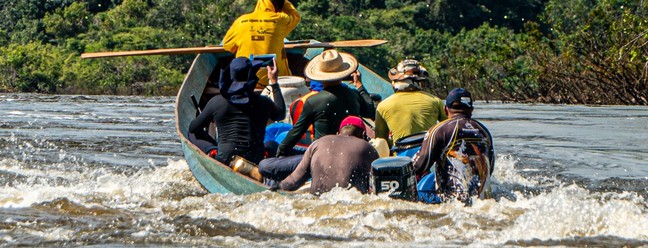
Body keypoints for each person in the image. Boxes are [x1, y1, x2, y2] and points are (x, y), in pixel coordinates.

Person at [258, 49, 376, 181]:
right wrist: (359, 85)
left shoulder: (313, 101)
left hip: (322, 157)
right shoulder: (354, 95)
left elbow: (294, 134)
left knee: (265, 164)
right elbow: (370, 111)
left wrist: (280, 155)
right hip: (349, 154)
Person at [188, 57, 285, 165]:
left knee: (191, 134)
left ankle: (212, 151)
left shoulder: (216, 102)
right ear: (252, 77)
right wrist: (274, 82)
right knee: (272, 144)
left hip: (225, 159)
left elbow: (193, 128)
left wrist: (210, 117)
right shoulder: (264, 102)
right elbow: (280, 114)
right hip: (256, 159)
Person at [411, 88, 495, 204]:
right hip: (483, 203)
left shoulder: (440, 130)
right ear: (471, 110)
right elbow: (490, 168)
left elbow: (420, 165)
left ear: (446, 110)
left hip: (452, 204)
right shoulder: (484, 132)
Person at [278, 116, 379, 195]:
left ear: (338, 132)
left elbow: (293, 181)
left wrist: (276, 188)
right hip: (350, 204)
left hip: (318, 203)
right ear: (363, 134)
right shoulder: (368, 148)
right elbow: (378, 187)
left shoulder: (318, 143)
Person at [222, 0, 301, 88]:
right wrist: (284, 2)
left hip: (246, 81)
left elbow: (227, 45)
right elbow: (295, 16)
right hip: (276, 80)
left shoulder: (241, 21)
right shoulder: (280, 19)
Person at [374, 59, 447, 147]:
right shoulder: (435, 100)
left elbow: (381, 140)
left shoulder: (383, 105)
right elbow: (450, 128)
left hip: (400, 156)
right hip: (429, 153)